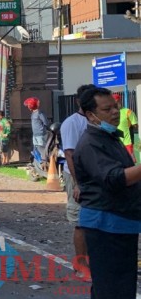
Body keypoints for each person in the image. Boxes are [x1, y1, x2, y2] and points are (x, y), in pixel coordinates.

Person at [74, 86, 141, 299]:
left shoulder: (108, 137)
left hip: (117, 220)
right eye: (107, 109)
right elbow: (114, 179)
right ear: (91, 115)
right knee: (118, 287)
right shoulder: (91, 142)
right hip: (107, 223)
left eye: (115, 107)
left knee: (105, 282)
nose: (115, 112)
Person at [59, 84, 93, 281]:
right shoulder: (72, 123)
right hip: (77, 177)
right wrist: (78, 183)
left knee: (93, 221)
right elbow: (70, 154)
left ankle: (91, 260)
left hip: (94, 176)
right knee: (80, 222)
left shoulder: (96, 121)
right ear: (79, 102)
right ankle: (81, 265)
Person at [112, 92, 138, 163]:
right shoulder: (111, 113)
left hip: (127, 141)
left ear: (119, 101)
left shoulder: (128, 111)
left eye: (116, 102)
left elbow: (135, 125)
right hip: (116, 142)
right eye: (114, 102)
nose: (115, 104)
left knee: (131, 160)